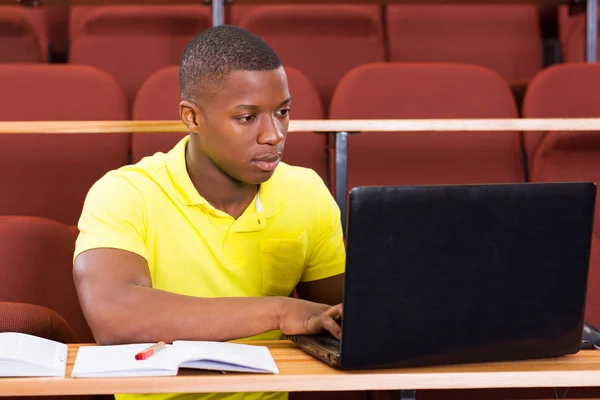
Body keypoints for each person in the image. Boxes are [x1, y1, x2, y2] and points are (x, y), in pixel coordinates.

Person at [72, 25, 345, 400]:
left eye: (282, 112)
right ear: (192, 118)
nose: (274, 135)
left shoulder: (306, 190)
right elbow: (113, 316)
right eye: (247, 118)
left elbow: (340, 314)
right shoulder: (124, 192)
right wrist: (282, 312)